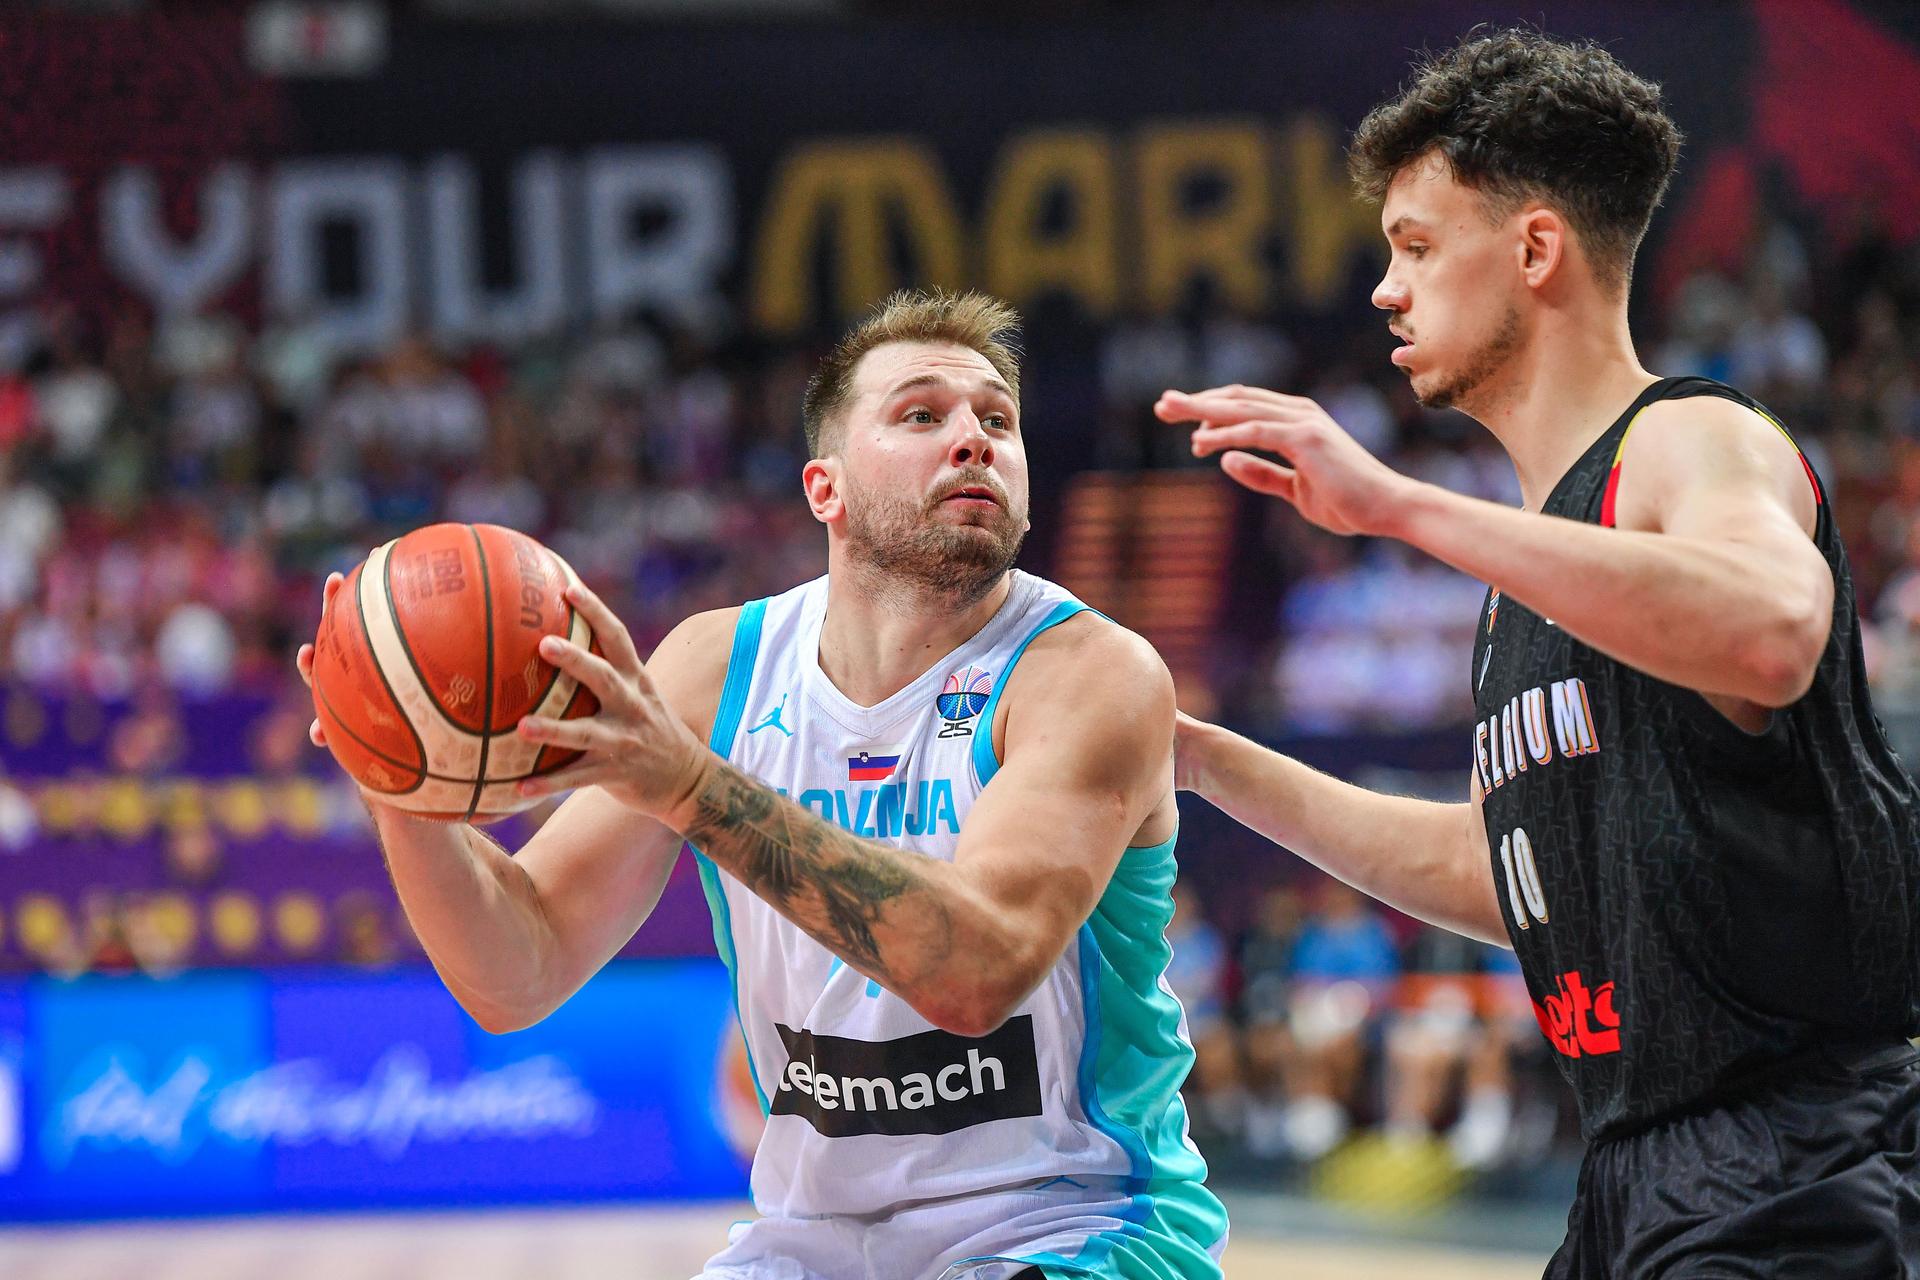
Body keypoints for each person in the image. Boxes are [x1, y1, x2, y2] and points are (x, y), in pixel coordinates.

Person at [1159, 30, 1920, 1279]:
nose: (1383, 290)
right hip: (1636, 1170)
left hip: (1796, 1155)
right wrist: (1201, 758)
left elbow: (1778, 628)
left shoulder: (1689, 439)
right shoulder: (1531, 581)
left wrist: (1400, 506)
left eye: (1414, 244)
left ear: (1534, 248)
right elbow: (1510, 862)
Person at [297, 291, 1227, 1280]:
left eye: (996, 418)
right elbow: (516, 966)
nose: (973, 438)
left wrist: (694, 786)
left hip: (1067, 1228)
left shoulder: (1089, 673)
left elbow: (977, 968)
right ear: (824, 489)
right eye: (922, 414)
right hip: (811, 1241)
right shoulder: (715, 669)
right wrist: (398, 780)